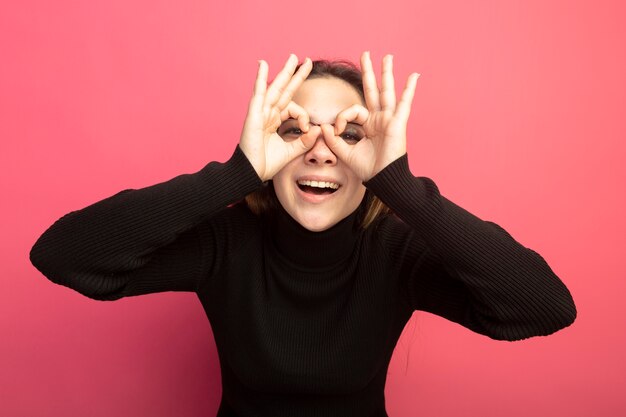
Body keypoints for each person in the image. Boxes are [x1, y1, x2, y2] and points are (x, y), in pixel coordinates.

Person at [30, 51, 577, 417]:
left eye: (349, 135)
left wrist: (401, 187)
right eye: (294, 131)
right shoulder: (228, 242)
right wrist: (234, 174)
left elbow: (543, 307)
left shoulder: (395, 252)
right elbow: (65, 255)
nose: (320, 149)